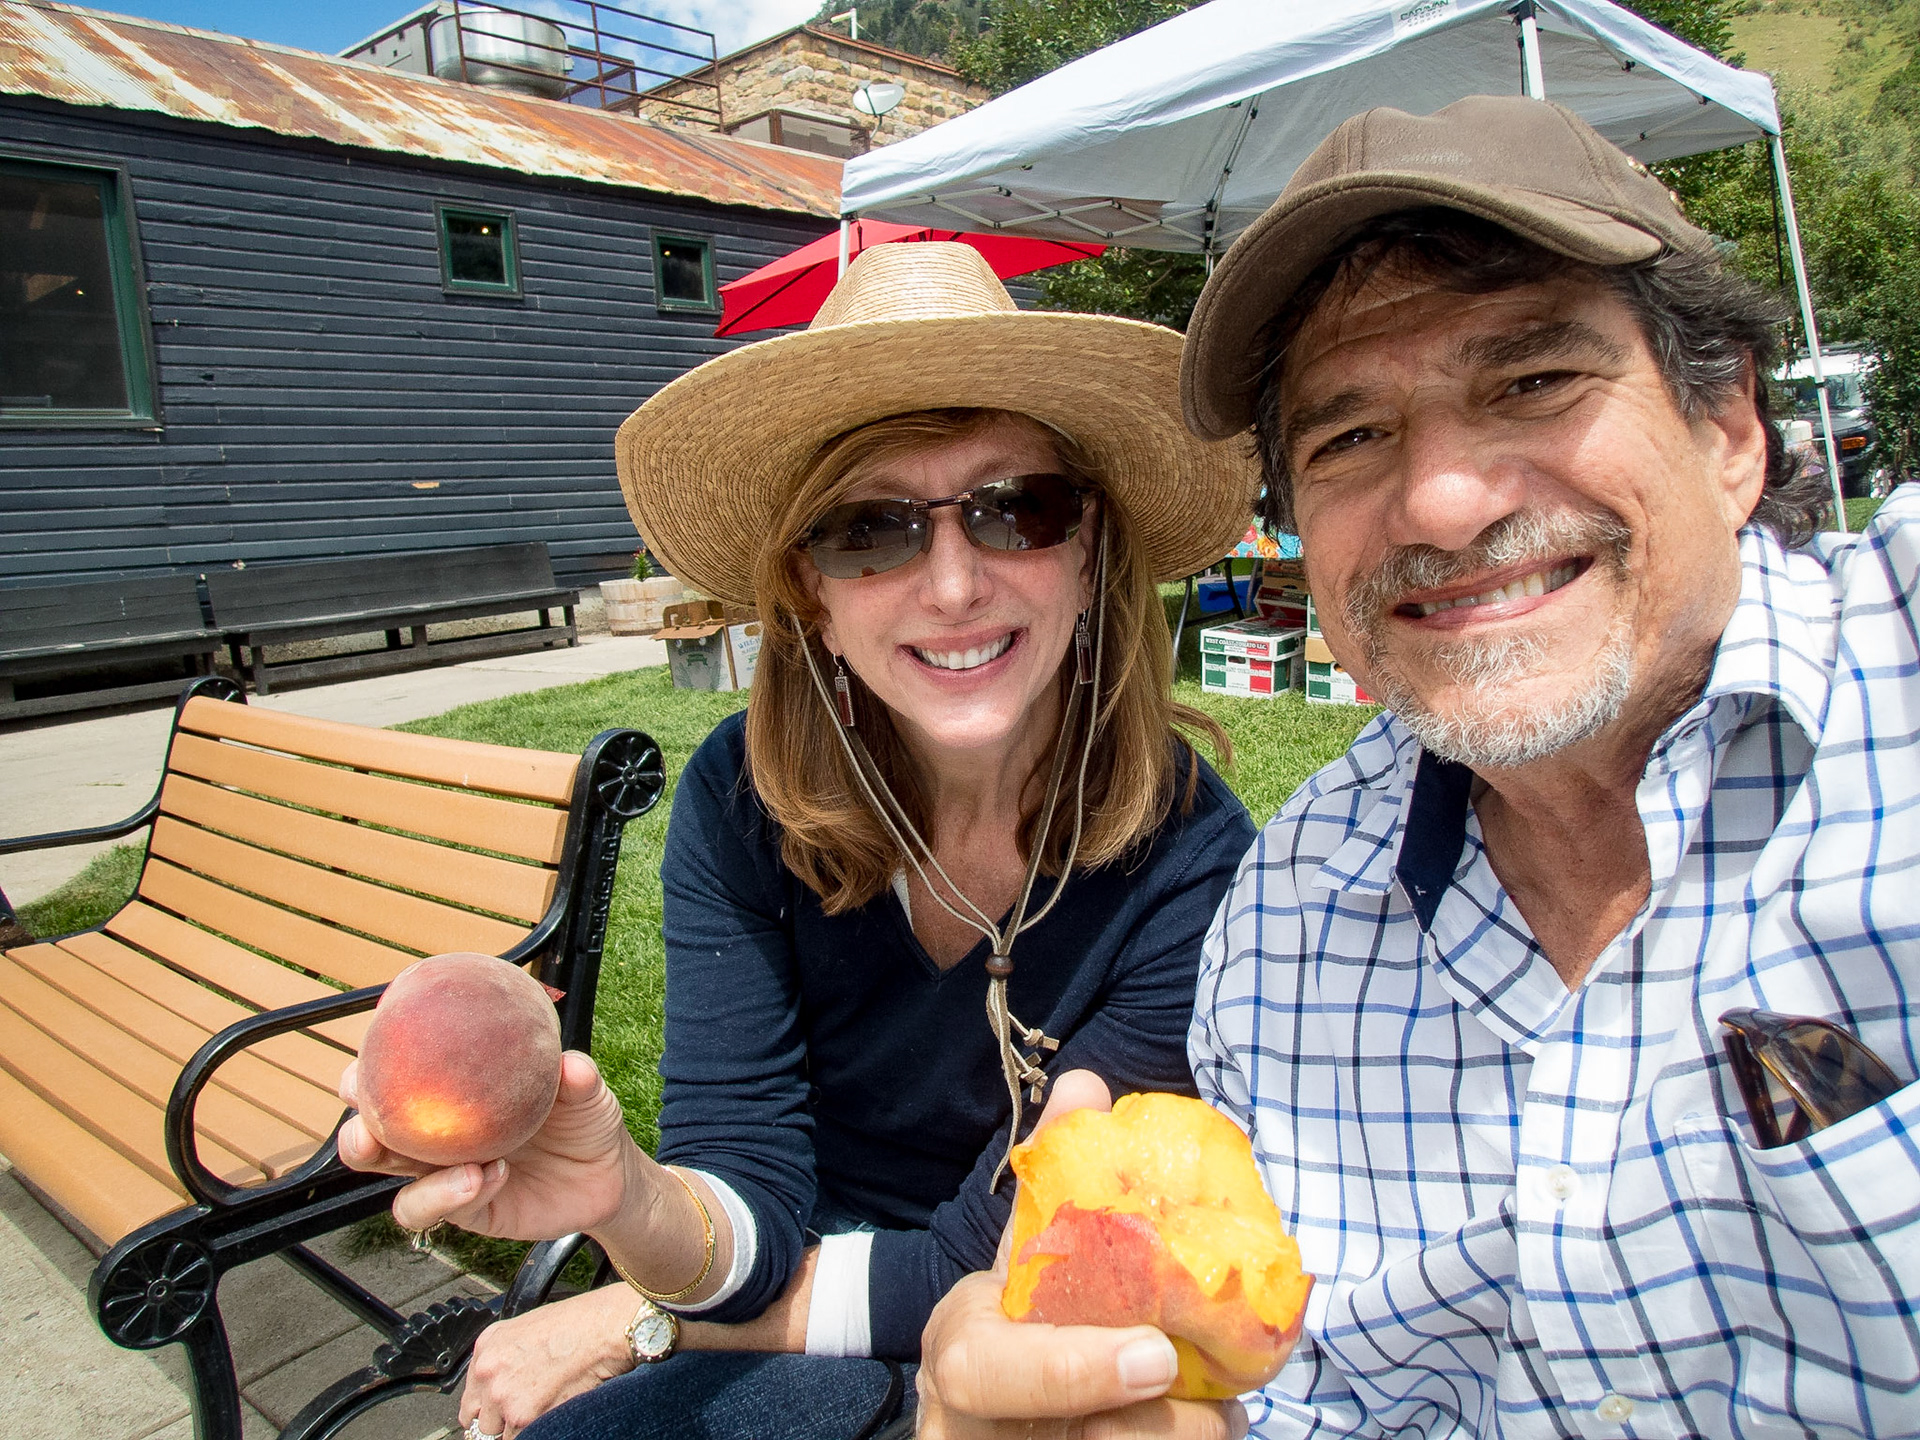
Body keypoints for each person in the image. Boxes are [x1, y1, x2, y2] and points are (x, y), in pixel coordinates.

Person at [915, 95, 1920, 1440]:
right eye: (1350, 439)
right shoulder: (1285, 929)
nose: (1444, 501)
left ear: (1730, 429)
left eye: (1531, 381)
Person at [338, 240, 1259, 1440]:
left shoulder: (1191, 852)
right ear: (810, 598)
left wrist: (641, 1315)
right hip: (810, 1316)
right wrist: (629, 1199)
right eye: (869, 530)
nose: (951, 583)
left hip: (1026, 1356)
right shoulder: (738, 801)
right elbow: (748, 1201)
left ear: (1089, 553)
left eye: (1014, 509)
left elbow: (1009, 1262)